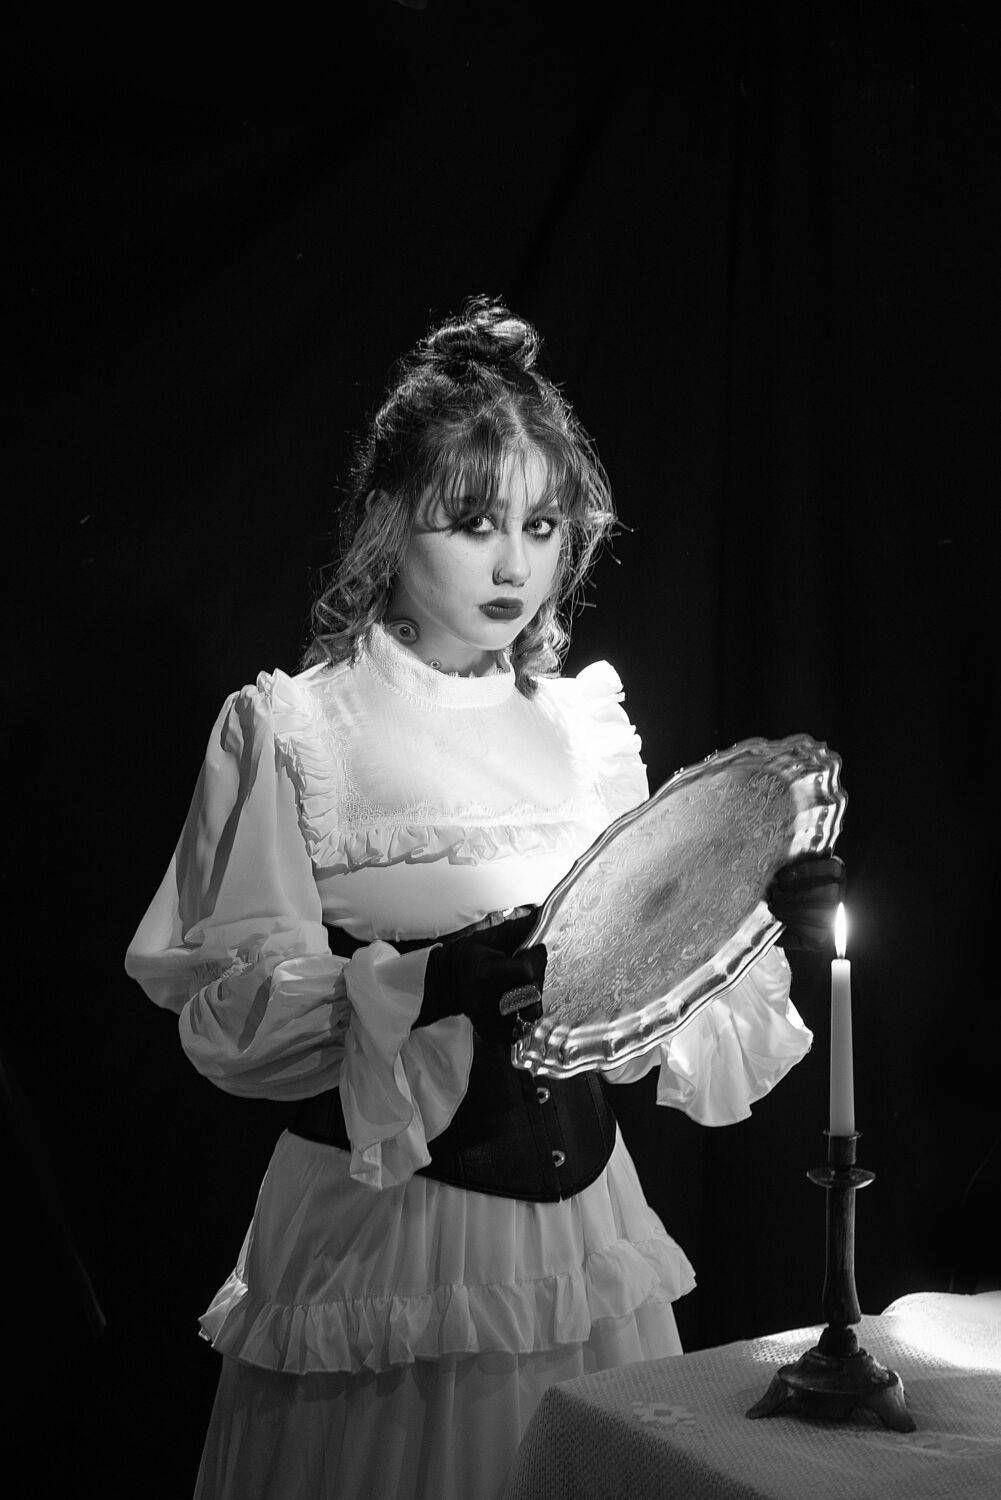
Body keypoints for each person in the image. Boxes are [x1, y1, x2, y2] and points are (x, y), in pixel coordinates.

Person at [125, 296, 844, 1499]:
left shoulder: (582, 729)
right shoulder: (294, 729)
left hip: (581, 1241)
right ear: (387, 522)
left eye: (540, 524)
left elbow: (644, 1020)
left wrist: (750, 914)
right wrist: (420, 984)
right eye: (471, 524)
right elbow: (232, 1011)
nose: (514, 564)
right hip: (384, 1249)